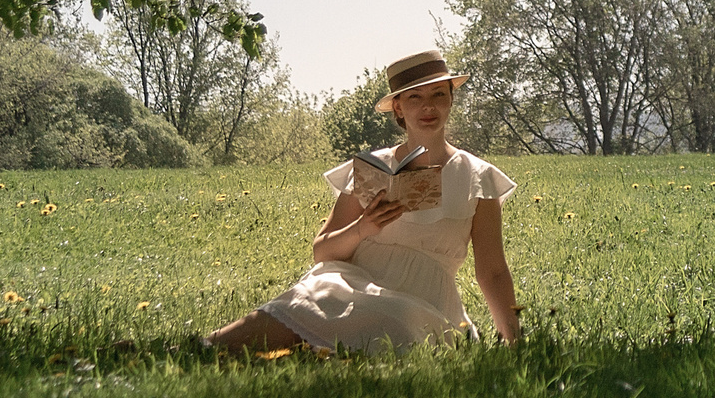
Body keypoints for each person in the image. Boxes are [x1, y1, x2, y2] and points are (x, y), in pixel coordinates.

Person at [207, 49, 520, 353]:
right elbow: (322, 252)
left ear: (451, 99)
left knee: (399, 318)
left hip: (425, 303)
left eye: (439, 94)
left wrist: (514, 341)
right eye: (415, 97)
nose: (429, 107)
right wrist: (363, 227)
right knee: (312, 294)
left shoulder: (478, 177)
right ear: (398, 108)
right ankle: (203, 347)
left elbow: (492, 272)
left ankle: (312, 347)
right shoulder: (372, 168)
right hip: (355, 285)